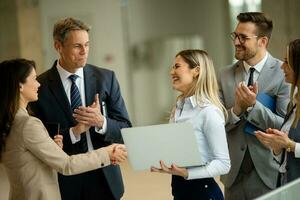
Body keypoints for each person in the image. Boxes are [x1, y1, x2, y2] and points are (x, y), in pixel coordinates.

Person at [29, 17, 131, 200]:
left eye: (87, 45)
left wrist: (101, 122)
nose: (84, 51)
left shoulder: (106, 78)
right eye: (77, 46)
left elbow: (126, 129)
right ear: (58, 46)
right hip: (65, 178)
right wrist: (74, 133)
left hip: (104, 174)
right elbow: (41, 142)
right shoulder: (39, 87)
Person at [0, 58, 127, 200]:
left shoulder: (10, 121)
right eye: (34, 79)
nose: (38, 84)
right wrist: (107, 153)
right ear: (20, 86)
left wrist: (66, 139)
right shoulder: (28, 124)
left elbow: (26, 157)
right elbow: (67, 165)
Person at [218, 12, 290, 199]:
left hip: (269, 173)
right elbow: (216, 123)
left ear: (262, 41)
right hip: (233, 175)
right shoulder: (223, 76)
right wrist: (237, 110)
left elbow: (285, 126)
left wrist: (252, 107)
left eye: (243, 37)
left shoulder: (284, 74)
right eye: (235, 36)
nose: (236, 42)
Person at [151, 49, 231, 200]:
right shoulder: (177, 109)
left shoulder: (208, 112)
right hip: (180, 192)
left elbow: (223, 164)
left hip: (203, 194)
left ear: (196, 71)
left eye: (177, 66)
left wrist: (187, 173)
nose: (171, 72)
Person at [255, 39, 300, 185]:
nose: (282, 66)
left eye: (287, 62)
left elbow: (292, 146)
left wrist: (289, 144)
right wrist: (277, 146)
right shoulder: (293, 103)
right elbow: (286, 159)